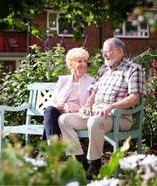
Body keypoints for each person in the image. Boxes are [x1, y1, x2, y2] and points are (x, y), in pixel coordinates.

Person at [58, 38, 146, 178]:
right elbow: (93, 93)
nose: (104, 54)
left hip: (119, 117)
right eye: (103, 51)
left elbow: (134, 98)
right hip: (95, 113)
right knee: (64, 120)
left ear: (119, 52)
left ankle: (95, 163)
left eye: (108, 51)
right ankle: (80, 161)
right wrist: (87, 105)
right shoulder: (103, 69)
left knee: (95, 121)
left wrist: (111, 107)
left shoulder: (133, 69)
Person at [42, 48, 95, 144]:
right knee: (49, 110)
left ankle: (52, 148)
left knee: (51, 120)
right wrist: (58, 105)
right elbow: (53, 100)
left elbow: (87, 105)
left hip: (77, 115)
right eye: (79, 61)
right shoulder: (63, 80)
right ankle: (54, 145)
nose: (83, 64)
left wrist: (66, 107)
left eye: (85, 61)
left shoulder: (91, 81)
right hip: (59, 112)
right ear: (71, 64)